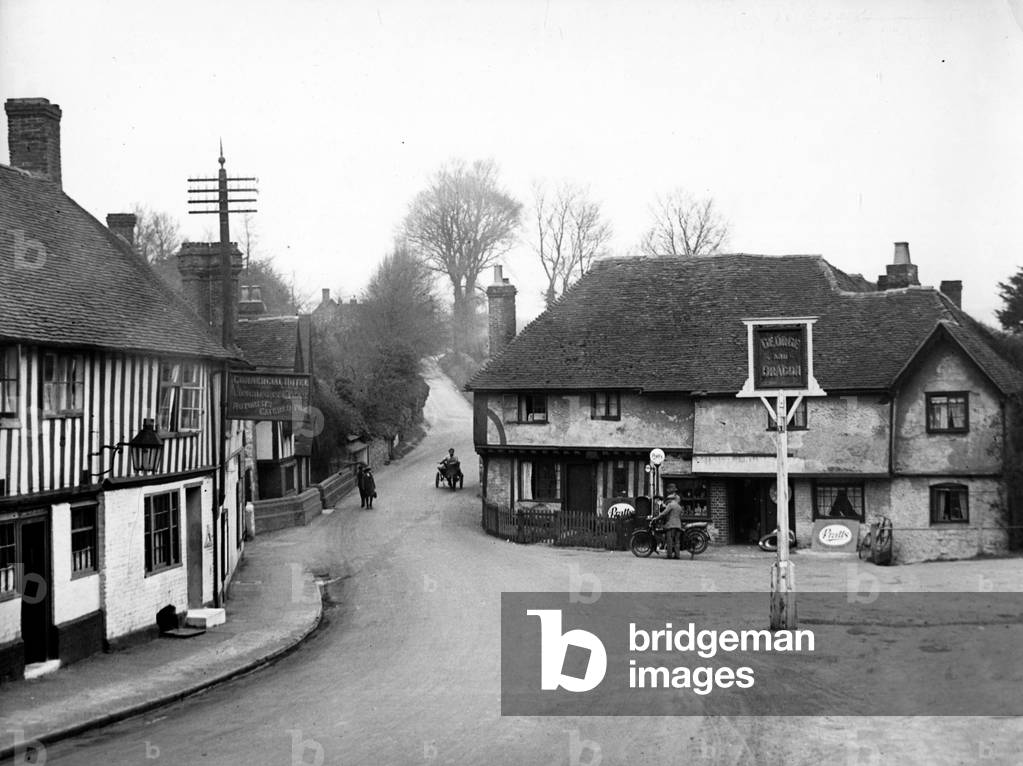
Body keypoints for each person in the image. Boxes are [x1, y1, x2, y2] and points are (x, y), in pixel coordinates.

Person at [655, 490, 684, 559]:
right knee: (677, 541)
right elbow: (680, 517)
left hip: (671, 526)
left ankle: (669, 555)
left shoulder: (670, 505)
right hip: (678, 526)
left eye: (669, 499)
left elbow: (664, 513)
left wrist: (656, 518)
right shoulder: (679, 507)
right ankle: (677, 555)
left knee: (669, 541)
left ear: (672, 500)